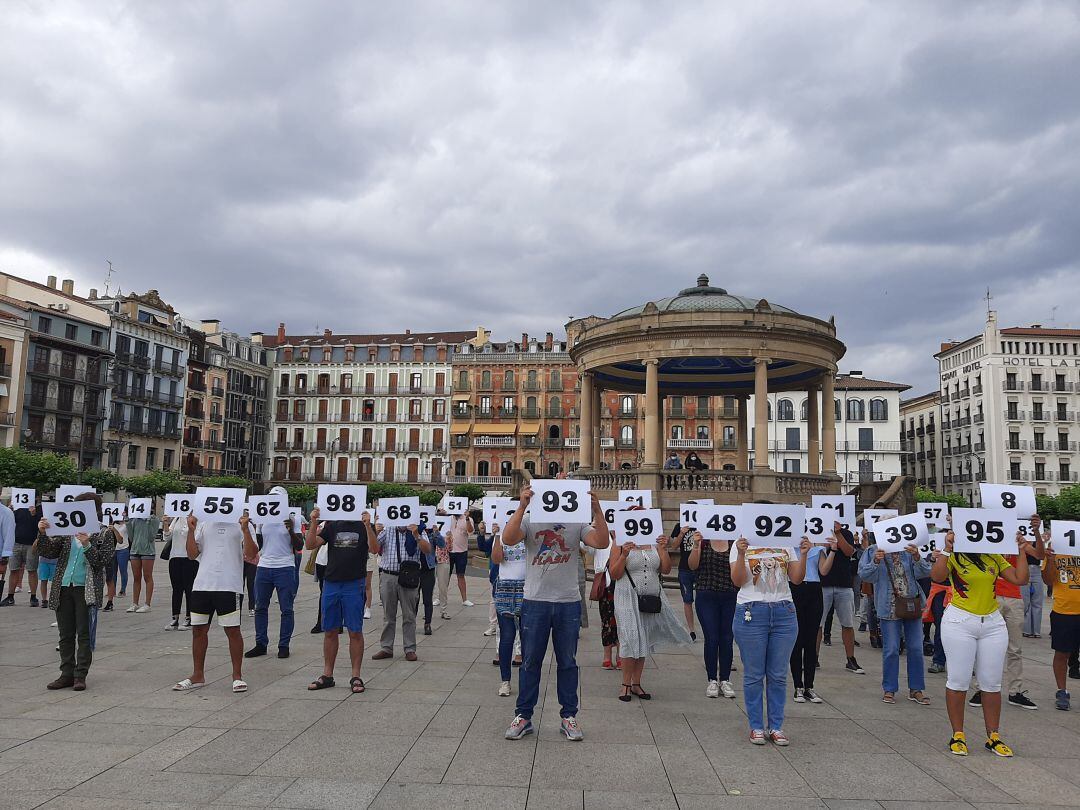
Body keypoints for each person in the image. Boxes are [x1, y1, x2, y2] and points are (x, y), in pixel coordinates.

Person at [502, 485, 610, 742]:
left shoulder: (576, 523)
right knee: (530, 661)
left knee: (568, 662)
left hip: (567, 600)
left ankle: (568, 716)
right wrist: (521, 506)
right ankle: (524, 715)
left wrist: (597, 510)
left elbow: (602, 542)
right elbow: (508, 538)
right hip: (535, 600)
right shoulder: (530, 520)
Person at [931, 527, 1032, 757]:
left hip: (993, 623)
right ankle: (958, 734)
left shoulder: (993, 555)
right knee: (958, 680)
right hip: (960, 620)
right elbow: (936, 577)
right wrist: (947, 549)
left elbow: (1020, 579)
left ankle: (993, 736)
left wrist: (1021, 551)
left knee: (992, 682)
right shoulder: (955, 554)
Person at [730, 532, 811, 746]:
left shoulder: (786, 544)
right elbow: (737, 580)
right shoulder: (743, 544)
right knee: (754, 674)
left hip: (784, 610)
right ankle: (756, 726)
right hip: (751, 610)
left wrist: (803, 555)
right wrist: (740, 553)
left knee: (778, 674)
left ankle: (776, 726)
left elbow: (797, 578)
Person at [37, 493, 118, 691]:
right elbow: (48, 551)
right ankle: (66, 673)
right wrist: (42, 533)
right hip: (63, 586)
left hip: (86, 588)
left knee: (83, 634)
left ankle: (80, 674)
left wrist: (87, 544)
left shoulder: (104, 533)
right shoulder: (67, 531)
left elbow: (101, 562)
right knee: (65, 634)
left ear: (94, 510)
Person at [173, 511, 257, 693]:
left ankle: (237, 676)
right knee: (198, 630)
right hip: (203, 583)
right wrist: (190, 530)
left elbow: (251, 554)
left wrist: (245, 530)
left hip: (229, 584)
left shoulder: (241, 523)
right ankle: (197, 675)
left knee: (233, 630)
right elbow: (191, 554)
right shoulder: (204, 523)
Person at [609, 526, 692, 701]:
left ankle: (636, 683)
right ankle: (625, 683)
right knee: (630, 637)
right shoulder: (620, 542)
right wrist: (624, 554)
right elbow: (615, 574)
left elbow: (666, 569)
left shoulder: (654, 542)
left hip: (651, 597)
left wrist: (663, 549)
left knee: (643, 638)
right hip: (627, 597)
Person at [970, 514, 1043, 711]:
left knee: (1015, 647)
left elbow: (1039, 555)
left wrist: (1035, 532)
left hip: (1014, 596)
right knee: (985, 645)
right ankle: (980, 688)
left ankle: (1015, 690)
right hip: (992, 595)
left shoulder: (1016, 538)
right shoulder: (987, 538)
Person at [305, 505, 377, 693]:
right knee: (329, 630)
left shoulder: (363, 525)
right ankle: (327, 674)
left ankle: (356, 675)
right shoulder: (332, 525)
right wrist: (313, 522)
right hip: (332, 582)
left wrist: (369, 526)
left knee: (355, 630)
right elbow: (310, 544)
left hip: (354, 583)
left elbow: (375, 549)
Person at [858, 536, 933, 705]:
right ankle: (889, 689)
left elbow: (926, 572)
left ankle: (916, 689)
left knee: (915, 647)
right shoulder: (873, 550)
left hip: (911, 603)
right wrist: (875, 562)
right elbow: (864, 575)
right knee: (891, 648)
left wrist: (917, 557)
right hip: (888, 605)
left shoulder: (908, 549)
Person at [246, 490, 303, 660]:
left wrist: (291, 530)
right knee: (260, 606)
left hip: (284, 566)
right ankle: (260, 643)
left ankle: (283, 645)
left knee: (286, 608)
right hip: (264, 565)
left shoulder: (292, 519)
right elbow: (260, 545)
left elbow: (299, 545)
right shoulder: (263, 519)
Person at [687, 529, 739, 697]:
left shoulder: (734, 543)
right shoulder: (704, 541)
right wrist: (695, 545)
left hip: (730, 595)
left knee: (727, 638)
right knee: (711, 638)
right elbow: (692, 566)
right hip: (706, 594)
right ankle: (712, 680)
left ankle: (725, 679)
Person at [789, 528, 836, 704]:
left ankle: (809, 685)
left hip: (814, 590)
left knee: (811, 640)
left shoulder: (817, 548)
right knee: (797, 640)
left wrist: (833, 550)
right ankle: (797, 685)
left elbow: (823, 571)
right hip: (795, 589)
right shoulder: (789, 547)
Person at [371, 521, 430, 661]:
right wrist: (375, 531)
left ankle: (410, 648)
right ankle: (386, 647)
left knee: (409, 614)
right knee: (388, 614)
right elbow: (373, 549)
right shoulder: (388, 529)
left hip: (409, 576)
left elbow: (427, 550)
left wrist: (416, 535)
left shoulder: (418, 528)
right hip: (388, 575)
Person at [817, 524, 864, 674]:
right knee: (818, 624)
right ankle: (814, 657)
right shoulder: (816, 530)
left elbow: (849, 551)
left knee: (847, 623)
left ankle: (850, 658)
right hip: (822, 584)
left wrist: (838, 533)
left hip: (844, 584)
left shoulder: (846, 533)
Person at [1043, 528, 1080, 710]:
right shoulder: (1055, 550)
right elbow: (1048, 581)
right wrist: (1049, 559)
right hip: (1064, 611)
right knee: (1062, 653)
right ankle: (1062, 691)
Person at [492, 524, 527, 697]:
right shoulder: (502, 534)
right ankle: (505, 681)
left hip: (527, 586)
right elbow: (497, 559)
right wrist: (498, 535)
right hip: (505, 586)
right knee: (507, 636)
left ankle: (527, 680)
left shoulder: (529, 530)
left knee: (528, 636)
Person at [2, 501, 39, 606]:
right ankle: (10, 596)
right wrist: (11, 511)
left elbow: (41, 525)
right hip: (16, 543)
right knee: (13, 570)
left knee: (32, 570)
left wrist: (34, 514)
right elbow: (10, 523)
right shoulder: (17, 509)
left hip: (31, 544)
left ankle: (33, 597)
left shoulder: (39, 509)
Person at [164, 515, 197, 631]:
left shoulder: (196, 519)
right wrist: (165, 524)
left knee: (189, 588)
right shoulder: (177, 518)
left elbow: (194, 536)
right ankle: (175, 616)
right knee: (176, 588)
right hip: (175, 556)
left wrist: (190, 525)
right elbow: (167, 537)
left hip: (189, 557)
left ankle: (189, 617)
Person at [126, 510, 161, 613]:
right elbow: (131, 537)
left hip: (148, 551)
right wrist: (128, 522)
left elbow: (151, 536)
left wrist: (148, 522)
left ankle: (147, 604)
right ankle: (135, 603)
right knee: (136, 577)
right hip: (135, 550)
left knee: (147, 576)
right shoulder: (135, 519)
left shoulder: (154, 520)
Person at [673, 525, 698, 641]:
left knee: (702, 599)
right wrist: (681, 534)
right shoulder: (680, 526)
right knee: (687, 600)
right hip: (684, 568)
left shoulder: (704, 524)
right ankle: (691, 630)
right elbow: (673, 546)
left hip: (700, 568)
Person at [418, 520, 442, 635]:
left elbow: (442, 544)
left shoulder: (431, 533)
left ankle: (427, 624)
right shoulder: (414, 531)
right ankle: (411, 622)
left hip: (428, 568)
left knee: (427, 599)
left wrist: (436, 532)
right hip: (414, 569)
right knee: (413, 599)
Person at [446, 511, 475, 607]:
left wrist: (467, 519)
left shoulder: (468, 519)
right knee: (445, 576)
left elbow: (470, 532)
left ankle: (464, 599)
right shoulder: (448, 518)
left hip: (461, 551)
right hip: (448, 551)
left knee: (461, 575)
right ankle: (440, 597)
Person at [477, 521, 498, 636]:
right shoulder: (495, 536)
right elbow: (483, 547)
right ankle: (493, 625)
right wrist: (482, 533)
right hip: (496, 570)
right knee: (493, 599)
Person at [104, 515, 128, 611]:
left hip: (123, 549)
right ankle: (112, 591)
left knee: (123, 570)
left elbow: (122, 539)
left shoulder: (126, 525)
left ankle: (122, 590)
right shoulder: (111, 524)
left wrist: (126, 519)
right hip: (113, 549)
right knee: (112, 572)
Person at [433, 511, 452, 618]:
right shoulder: (429, 530)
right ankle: (428, 608)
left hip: (443, 560)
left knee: (443, 586)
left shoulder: (447, 532)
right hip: (431, 559)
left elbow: (450, 548)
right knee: (428, 586)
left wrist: (449, 538)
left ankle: (444, 610)